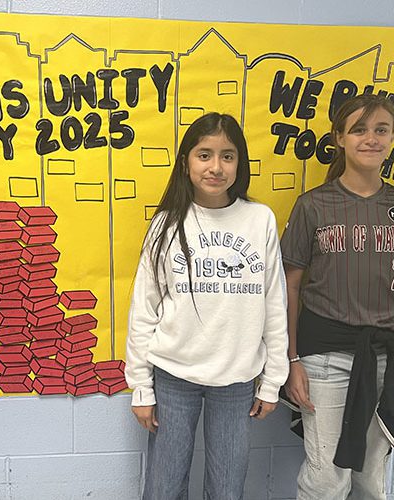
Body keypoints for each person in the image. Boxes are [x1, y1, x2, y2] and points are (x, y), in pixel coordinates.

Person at [125, 112, 289, 499]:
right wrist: (141, 388)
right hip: (172, 377)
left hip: (236, 382)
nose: (216, 167)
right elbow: (144, 310)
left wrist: (272, 381)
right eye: (204, 155)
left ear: (240, 163)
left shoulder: (259, 219)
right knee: (164, 487)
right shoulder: (166, 224)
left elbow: (275, 305)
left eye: (227, 156)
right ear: (186, 162)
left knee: (227, 488)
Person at [281, 93, 394, 500]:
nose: (371, 139)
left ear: (393, 136)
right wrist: (292, 360)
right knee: (327, 477)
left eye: (381, 130)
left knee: (370, 479)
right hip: (325, 357)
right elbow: (290, 287)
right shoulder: (313, 206)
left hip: (388, 357)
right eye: (359, 130)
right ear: (339, 138)